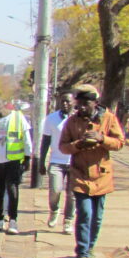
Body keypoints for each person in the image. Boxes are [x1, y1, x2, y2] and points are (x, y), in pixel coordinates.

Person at [58, 84, 125, 258]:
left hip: (101, 176)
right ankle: (81, 254)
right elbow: (63, 146)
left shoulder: (108, 118)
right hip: (80, 174)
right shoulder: (72, 122)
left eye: (86, 103)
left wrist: (101, 138)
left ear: (95, 102)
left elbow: (119, 143)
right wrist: (79, 144)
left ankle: (90, 246)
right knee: (84, 213)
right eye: (79, 103)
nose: (82, 107)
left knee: (96, 217)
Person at [0, 96, 32, 235]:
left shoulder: (18, 117)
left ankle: (13, 220)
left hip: (13, 161)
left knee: (12, 189)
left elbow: (26, 138)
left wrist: (28, 158)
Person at [39, 91, 76, 233]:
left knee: (72, 194)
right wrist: (41, 161)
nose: (65, 104)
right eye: (63, 101)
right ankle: (54, 210)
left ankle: (68, 221)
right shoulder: (51, 119)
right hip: (56, 161)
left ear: (74, 103)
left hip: (74, 161)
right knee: (55, 190)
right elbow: (46, 142)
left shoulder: (78, 118)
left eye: (68, 101)